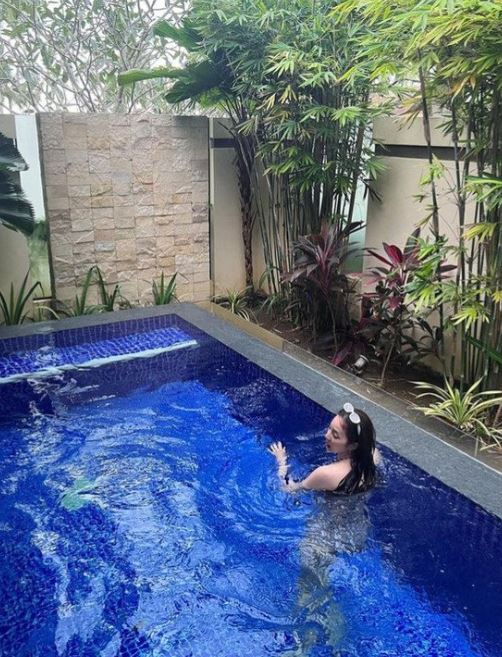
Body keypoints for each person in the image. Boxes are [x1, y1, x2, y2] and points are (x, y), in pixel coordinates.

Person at [268, 402, 379, 494]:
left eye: (335, 435)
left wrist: (281, 462)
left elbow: (288, 489)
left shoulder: (324, 473)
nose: (326, 436)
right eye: (329, 428)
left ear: (353, 445)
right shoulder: (373, 454)